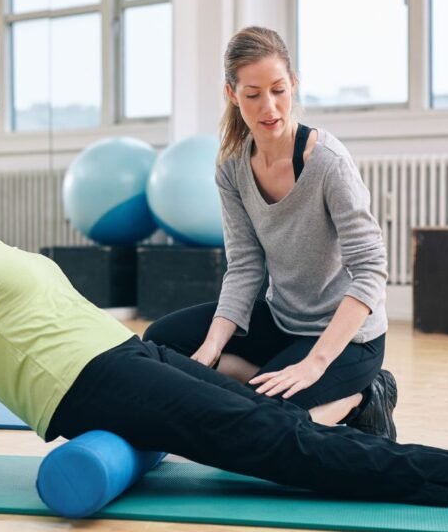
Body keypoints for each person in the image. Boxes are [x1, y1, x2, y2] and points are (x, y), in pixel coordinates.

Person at [0, 118, 448, 508]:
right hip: (89, 383)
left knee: (273, 420)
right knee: (259, 435)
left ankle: (433, 461)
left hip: (124, 354)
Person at [143, 26, 397, 438]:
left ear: (293, 84)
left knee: (262, 426)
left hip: (349, 341)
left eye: (278, 90)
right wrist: (210, 349)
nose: (270, 107)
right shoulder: (232, 168)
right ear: (232, 94)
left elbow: (370, 270)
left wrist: (315, 362)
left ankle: (366, 396)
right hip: (284, 322)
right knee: (162, 346)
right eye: (253, 94)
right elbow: (244, 267)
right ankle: (268, 378)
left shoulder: (328, 163)